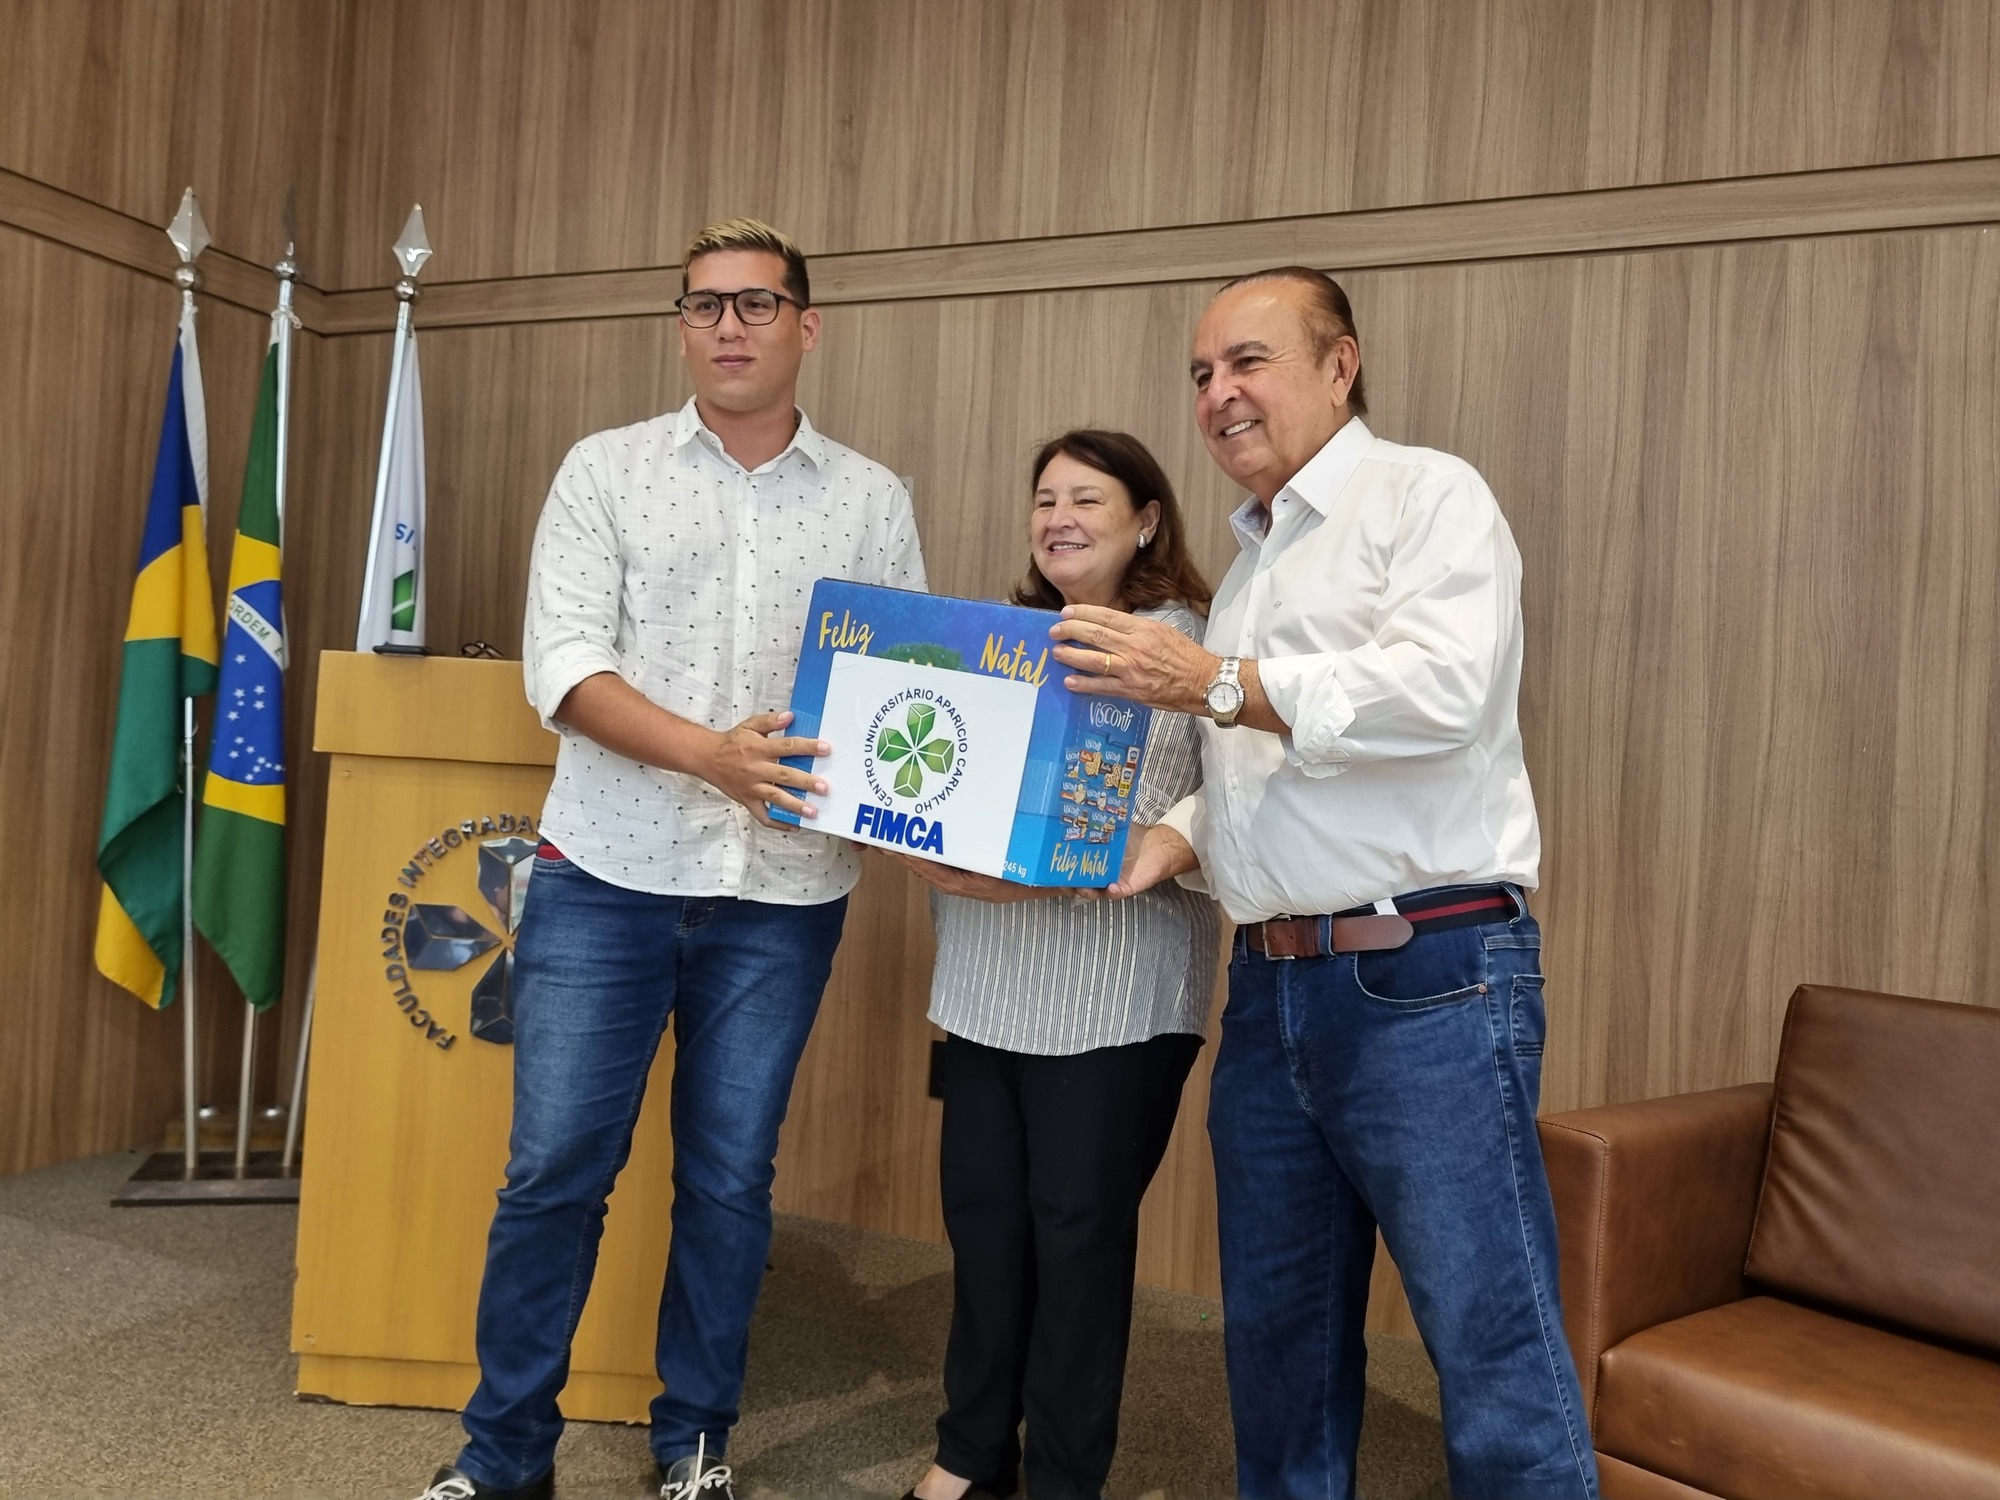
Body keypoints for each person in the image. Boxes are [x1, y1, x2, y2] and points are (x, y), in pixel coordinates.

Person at [1048, 269, 1599, 1500]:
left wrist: (1211, 682)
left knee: (1491, 1350)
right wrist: (1168, 839)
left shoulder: (1425, 496)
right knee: (1277, 1355)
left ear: (1339, 365)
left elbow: (1441, 694)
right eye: (1200, 374)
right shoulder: (1251, 566)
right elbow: (1260, 767)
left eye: (1247, 361)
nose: (1217, 394)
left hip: (1427, 983)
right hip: (1268, 994)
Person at [416, 219, 925, 1500]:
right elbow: (564, 670)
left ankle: (693, 1441)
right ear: (681, 327)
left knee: (728, 1181)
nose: (728, 326)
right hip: (606, 874)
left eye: (756, 303)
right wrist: (716, 759)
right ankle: (503, 1459)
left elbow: (899, 690)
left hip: (783, 896)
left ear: (807, 326)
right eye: (703, 305)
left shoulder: (871, 498)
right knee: (553, 1174)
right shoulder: (606, 470)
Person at [896, 431, 1219, 1500]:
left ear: (1147, 520)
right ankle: (968, 1454)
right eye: (1044, 499)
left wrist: (1027, 865)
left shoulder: (1186, 649)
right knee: (984, 1227)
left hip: (1115, 996)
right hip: (983, 984)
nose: (1059, 517)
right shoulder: (1003, 644)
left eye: (1087, 497)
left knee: (1076, 1243)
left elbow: (1188, 815)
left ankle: (1065, 1481)